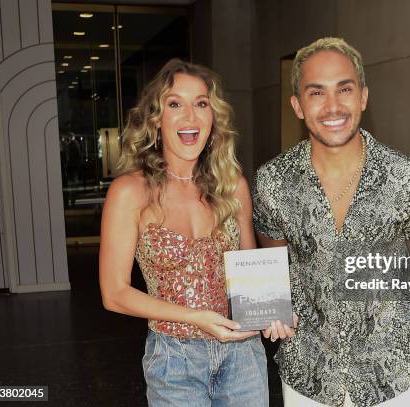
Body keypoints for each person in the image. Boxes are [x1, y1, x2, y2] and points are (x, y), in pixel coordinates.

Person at [253, 38, 410, 406]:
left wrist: (398, 323)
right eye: (316, 93)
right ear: (297, 105)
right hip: (307, 375)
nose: (333, 106)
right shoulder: (273, 182)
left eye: (344, 89)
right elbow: (275, 261)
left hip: (389, 379)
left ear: (363, 97)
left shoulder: (407, 177)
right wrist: (278, 305)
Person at [99, 59, 268, 407]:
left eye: (201, 103)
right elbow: (113, 293)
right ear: (156, 119)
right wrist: (195, 318)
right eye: (175, 104)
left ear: (213, 117)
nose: (190, 117)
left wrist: (275, 311)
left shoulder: (232, 186)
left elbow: (253, 275)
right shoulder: (130, 192)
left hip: (243, 356)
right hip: (174, 360)